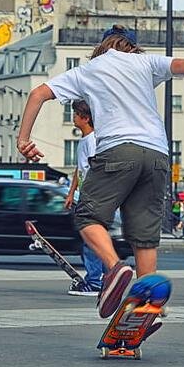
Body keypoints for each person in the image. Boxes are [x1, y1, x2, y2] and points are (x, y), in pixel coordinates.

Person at [17, 24, 184, 318]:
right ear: (132, 47)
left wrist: (24, 139)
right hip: (157, 155)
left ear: (103, 46)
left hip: (118, 151)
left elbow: (38, 93)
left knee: (88, 216)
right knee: (143, 236)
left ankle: (115, 269)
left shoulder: (89, 70)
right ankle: (147, 305)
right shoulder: (146, 62)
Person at [64, 100, 106, 297]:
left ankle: (94, 281)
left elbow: (97, 170)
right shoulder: (83, 141)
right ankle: (104, 279)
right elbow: (79, 170)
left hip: (94, 197)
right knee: (95, 239)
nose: (73, 117)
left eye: (75, 114)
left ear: (86, 118)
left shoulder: (94, 141)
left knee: (91, 239)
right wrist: (72, 193)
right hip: (86, 196)